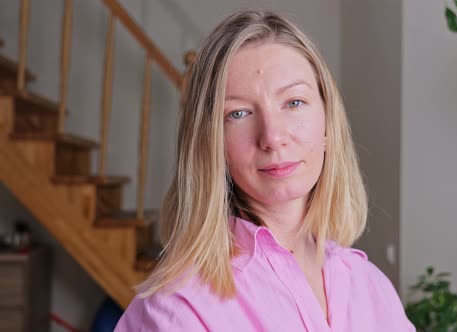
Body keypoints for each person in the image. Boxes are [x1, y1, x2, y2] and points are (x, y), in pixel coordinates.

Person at [115, 9, 415, 332]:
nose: (272, 137)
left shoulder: (371, 287)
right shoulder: (177, 307)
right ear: (211, 145)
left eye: (294, 102)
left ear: (329, 123)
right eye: (239, 113)